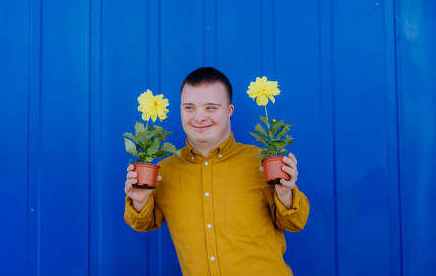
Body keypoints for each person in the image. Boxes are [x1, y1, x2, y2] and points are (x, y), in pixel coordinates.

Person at [124, 67, 309, 276]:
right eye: (189, 107)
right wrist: (139, 201)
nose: (199, 117)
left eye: (211, 107)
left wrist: (285, 194)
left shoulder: (261, 162)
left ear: (229, 110)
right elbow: (144, 224)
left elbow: (295, 223)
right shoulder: (164, 171)